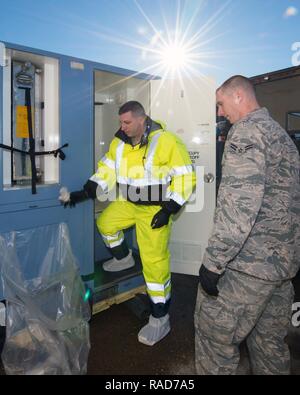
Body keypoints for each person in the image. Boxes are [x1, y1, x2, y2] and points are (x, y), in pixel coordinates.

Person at [59, 101, 195, 346]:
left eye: (127, 122)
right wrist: (89, 189)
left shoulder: (166, 141)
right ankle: (123, 258)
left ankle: (160, 318)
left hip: (155, 208)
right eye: (121, 122)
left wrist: (170, 208)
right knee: (106, 223)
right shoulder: (119, 142)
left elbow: (186, 176)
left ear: (142, 119)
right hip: (129, 202)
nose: (122, 127)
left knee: (154, 264)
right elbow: (107, 168)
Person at [194, 75, 300, 375]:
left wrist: (213, 263)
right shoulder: (280, 135)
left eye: (220, 103)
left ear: (238, 96)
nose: (219, 112)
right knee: (269, 346)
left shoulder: (246, 133)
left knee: (213, 340)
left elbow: (240, 206)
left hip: (247, 267)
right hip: (280, 268)